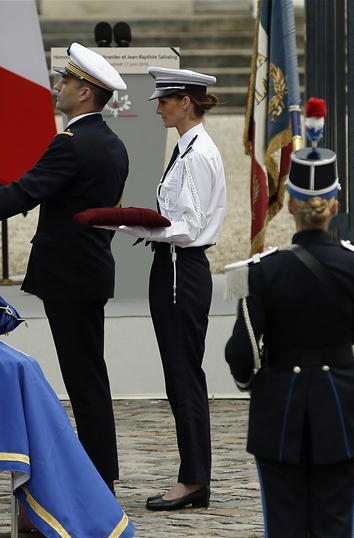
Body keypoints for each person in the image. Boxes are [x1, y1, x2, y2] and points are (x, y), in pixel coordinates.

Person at [0, 43, 129, 492]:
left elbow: (23, 192)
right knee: (89, 372)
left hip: (69, 275)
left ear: (87, 93)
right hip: (89, 270)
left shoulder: (72, 144)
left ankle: (97, 477)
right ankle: (101, 470)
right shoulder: (112, 143)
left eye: (67, 82)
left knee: (83, 374)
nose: (59, 87)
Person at [223, 103, 354, 538]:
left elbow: (241, 356)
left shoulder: (261, 271)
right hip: (341, 406)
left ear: (290, 203)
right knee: (336, 535)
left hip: (279, 411)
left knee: (284, 536)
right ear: (334, 203)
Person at [115, 67, 226, 510]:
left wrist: (130, 223)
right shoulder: (189, 147)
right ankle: (193, 475)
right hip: (175, 265)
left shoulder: (197, 154)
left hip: (181, 267)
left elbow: (189, 227)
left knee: (183, 376)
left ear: (185, 102)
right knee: (181, 375)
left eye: (165, 100)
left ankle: (194, 479)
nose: (159, 107)